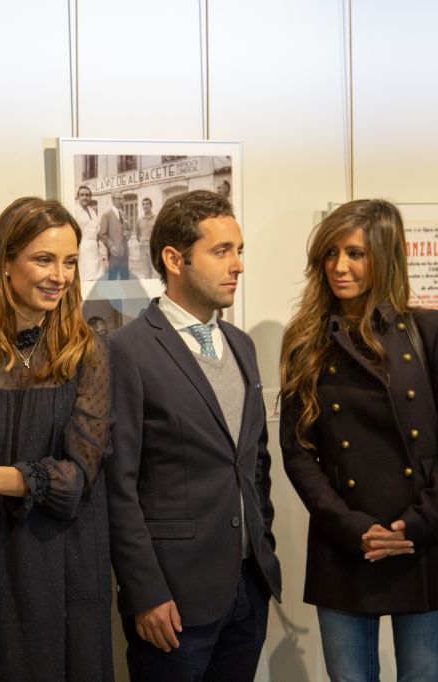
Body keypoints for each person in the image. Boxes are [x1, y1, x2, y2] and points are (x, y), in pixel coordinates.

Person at [278, 199, 438, 682]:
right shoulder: (305, 340)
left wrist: (414, 525)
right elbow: (297, 451)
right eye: (330, 253)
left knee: (424, 675)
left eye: (355, 253)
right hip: (345, 542)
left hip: (421, 539)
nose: (339, 266)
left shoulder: (431, 331)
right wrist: (352, 527)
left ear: (385, 255)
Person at [107, 190, 282, 681]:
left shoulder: (241, 345)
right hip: (173, 599)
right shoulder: (127, 350)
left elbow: (254, 461)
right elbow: (118, 486)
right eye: (221, 251)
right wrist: (144, 591)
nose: (238, 265)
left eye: (239, 250)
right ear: (174, 259)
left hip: (248, 586)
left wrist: (263, 543)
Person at [0, 196, 113, 682]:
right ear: (5, 263)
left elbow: (79, 476)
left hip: (59, 562)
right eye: (44, 259)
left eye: (69, 262)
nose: (60, 276)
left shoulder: (87, 353)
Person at [74, 185, 106, 280]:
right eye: (82, 195)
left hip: (94, 248)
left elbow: (97, 230)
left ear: (90, 197)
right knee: (85, 277)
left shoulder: (93, 211)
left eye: (87, 195)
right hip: (82, 248)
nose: (85, 197)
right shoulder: (75, 211)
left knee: (96, 277)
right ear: (78, 197)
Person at [99, 191, 130, 280]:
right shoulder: (106, 215)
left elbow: (128, 229)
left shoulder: (124, 214)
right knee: (112, 278)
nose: (121, 201)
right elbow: (102, 234)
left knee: (125, 278)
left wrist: (128, 234)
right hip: (113, 254)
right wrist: (111, 246)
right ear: (112, 200)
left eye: (122, 199)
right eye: (119, 199)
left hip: (125, 252)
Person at [134, 197, 157, 278]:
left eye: (147, 204)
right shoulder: (139, 220)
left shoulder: (156, 218)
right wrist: (142, 241)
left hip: (153, 248)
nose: (145, 206)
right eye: (143, 204)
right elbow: (138, 234)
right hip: (143, 248)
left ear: (151, 205)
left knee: (156, 273)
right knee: (146, 273)